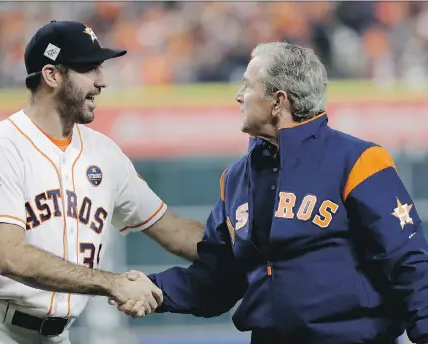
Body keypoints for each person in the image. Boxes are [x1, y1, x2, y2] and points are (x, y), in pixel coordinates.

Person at [118, 42, 428, 344]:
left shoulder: (358, 160)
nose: (239, 96)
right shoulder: (236, 179)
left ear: (278, 101)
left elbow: (408, 261)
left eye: (248, 86)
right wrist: (154, 289)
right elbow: (218, 279)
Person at [0, 20, 204, 344]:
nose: (101, 81)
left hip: (58, 334)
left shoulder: (104, 153)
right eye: (89, 68)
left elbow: (172, 230)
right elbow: (11, 257)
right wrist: (111, 282)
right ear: (52, 75)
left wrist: (250, 254)